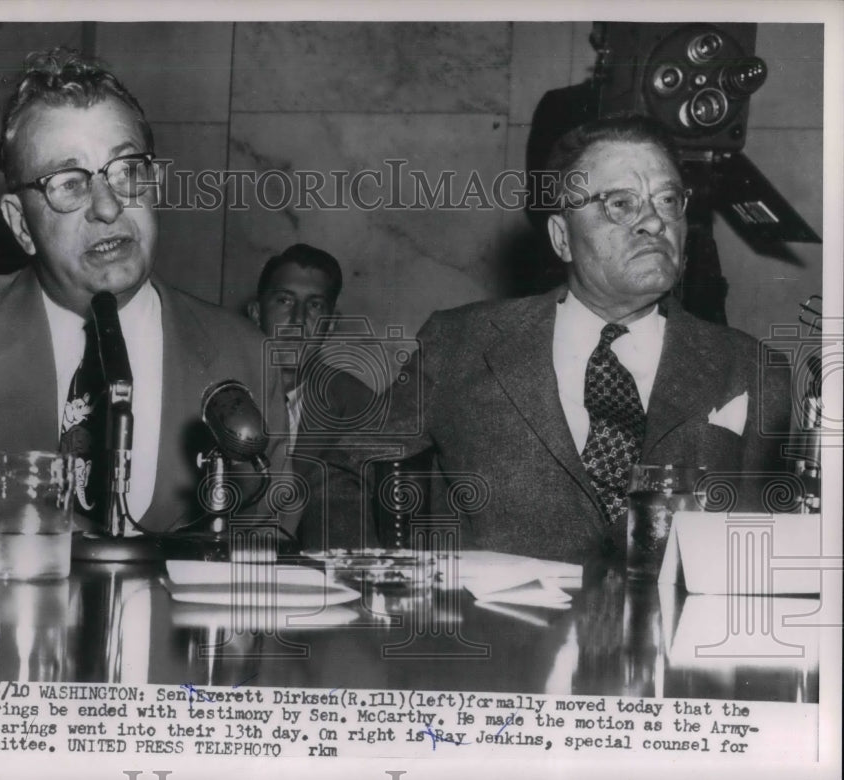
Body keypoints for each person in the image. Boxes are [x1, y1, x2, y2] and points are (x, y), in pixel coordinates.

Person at [310, 114, 791, 564]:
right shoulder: (459, 344)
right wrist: (368, 607)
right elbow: (346, 475)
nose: (654, 221)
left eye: (668, 200)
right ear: (562, 237)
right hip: (498, 647)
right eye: (620, 203)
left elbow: (785, 532)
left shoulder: (750, 368)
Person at [0, 48, 287, 534]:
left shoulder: (244, 355)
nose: (108, 208)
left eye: (127, 171)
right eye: (68, 184)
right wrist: (54, 524)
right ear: (20, 224)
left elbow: (268, 545)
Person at [247, 244, 377, 549]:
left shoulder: (359, 406)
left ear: (330, 325)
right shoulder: (214, 391)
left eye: (315, 306)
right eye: (284, 301)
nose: (297, 320)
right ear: (255, 313)